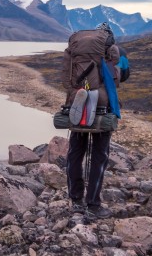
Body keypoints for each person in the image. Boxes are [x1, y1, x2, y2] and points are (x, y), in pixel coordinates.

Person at [62, 21, 120, 218]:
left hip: (76, 101)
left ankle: (76, 200)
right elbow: (115, 79)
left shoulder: (74, 46)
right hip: (102, 106)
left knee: (75, 152)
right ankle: (93, 204)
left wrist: (74, 93)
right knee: (99, 155)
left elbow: (65, 77)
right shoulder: (110, 48)